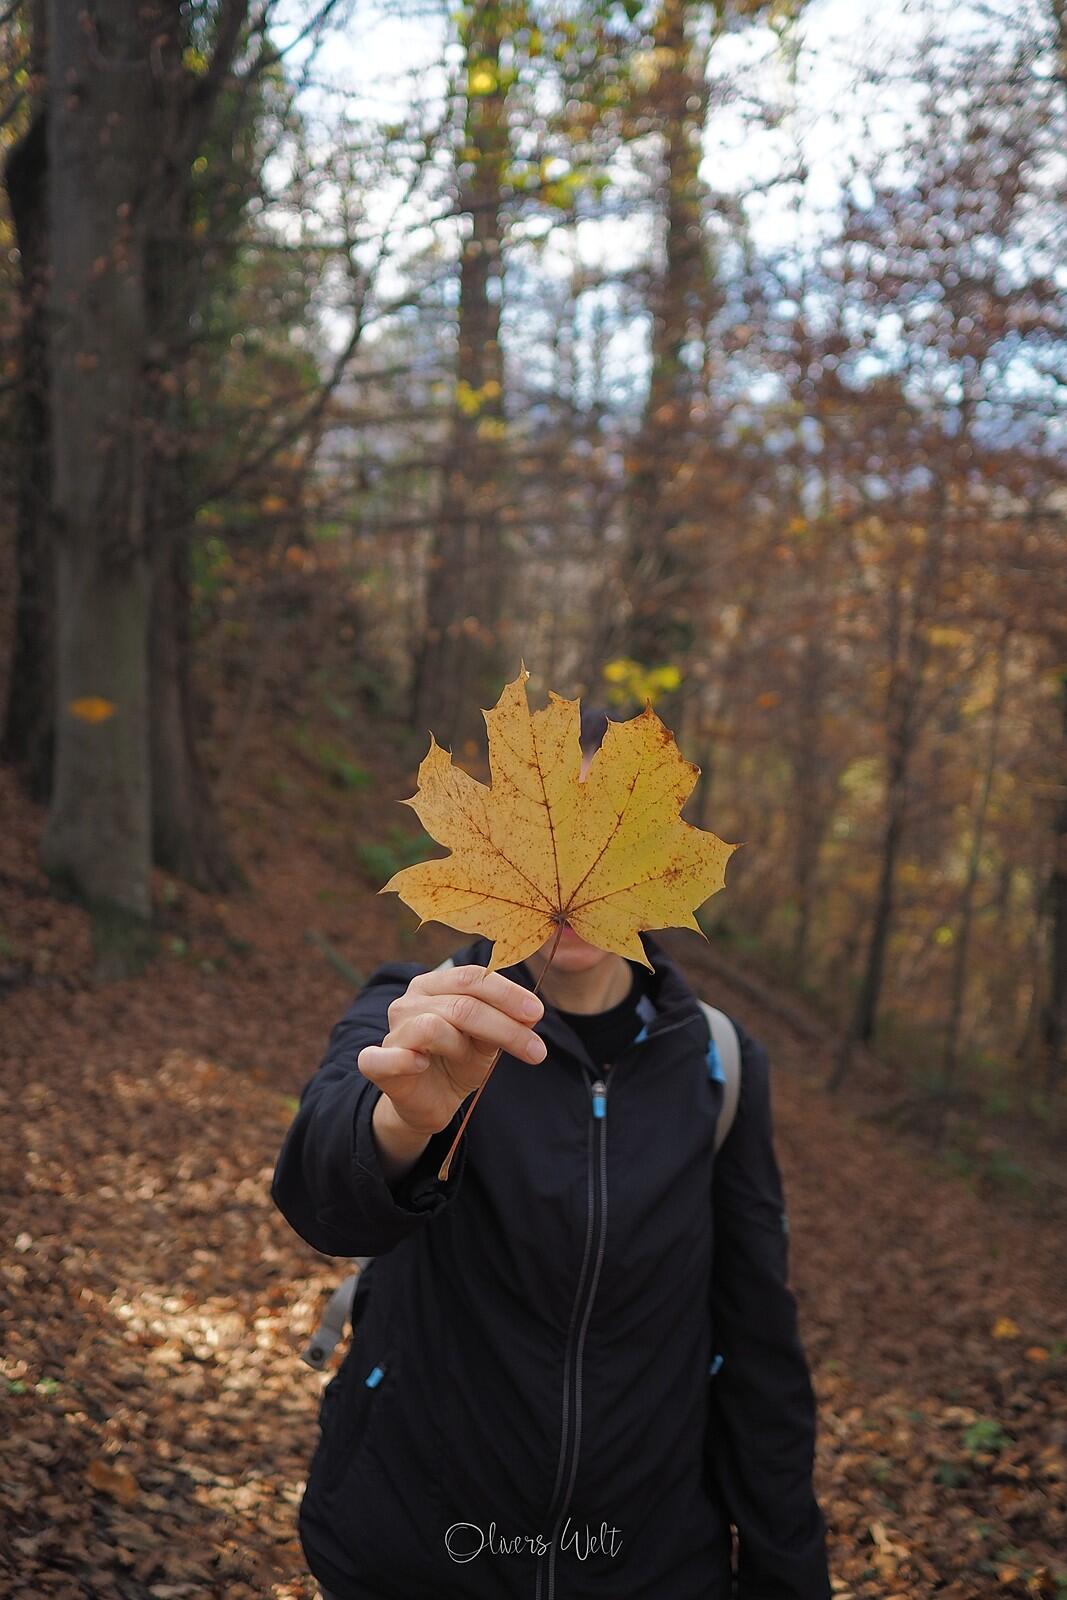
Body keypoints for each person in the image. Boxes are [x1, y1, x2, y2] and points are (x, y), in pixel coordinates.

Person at [271, 708, 832, 1600]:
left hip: (646, 1566)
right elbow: (319, 1195)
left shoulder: (719, 1063)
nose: (570, 873)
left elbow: (758, 1341)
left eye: (607, 842)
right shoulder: (421, 1009)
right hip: (422, 1551)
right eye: (538, 836)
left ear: (658, 865)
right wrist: (404, 1124)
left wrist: (785, 1572)